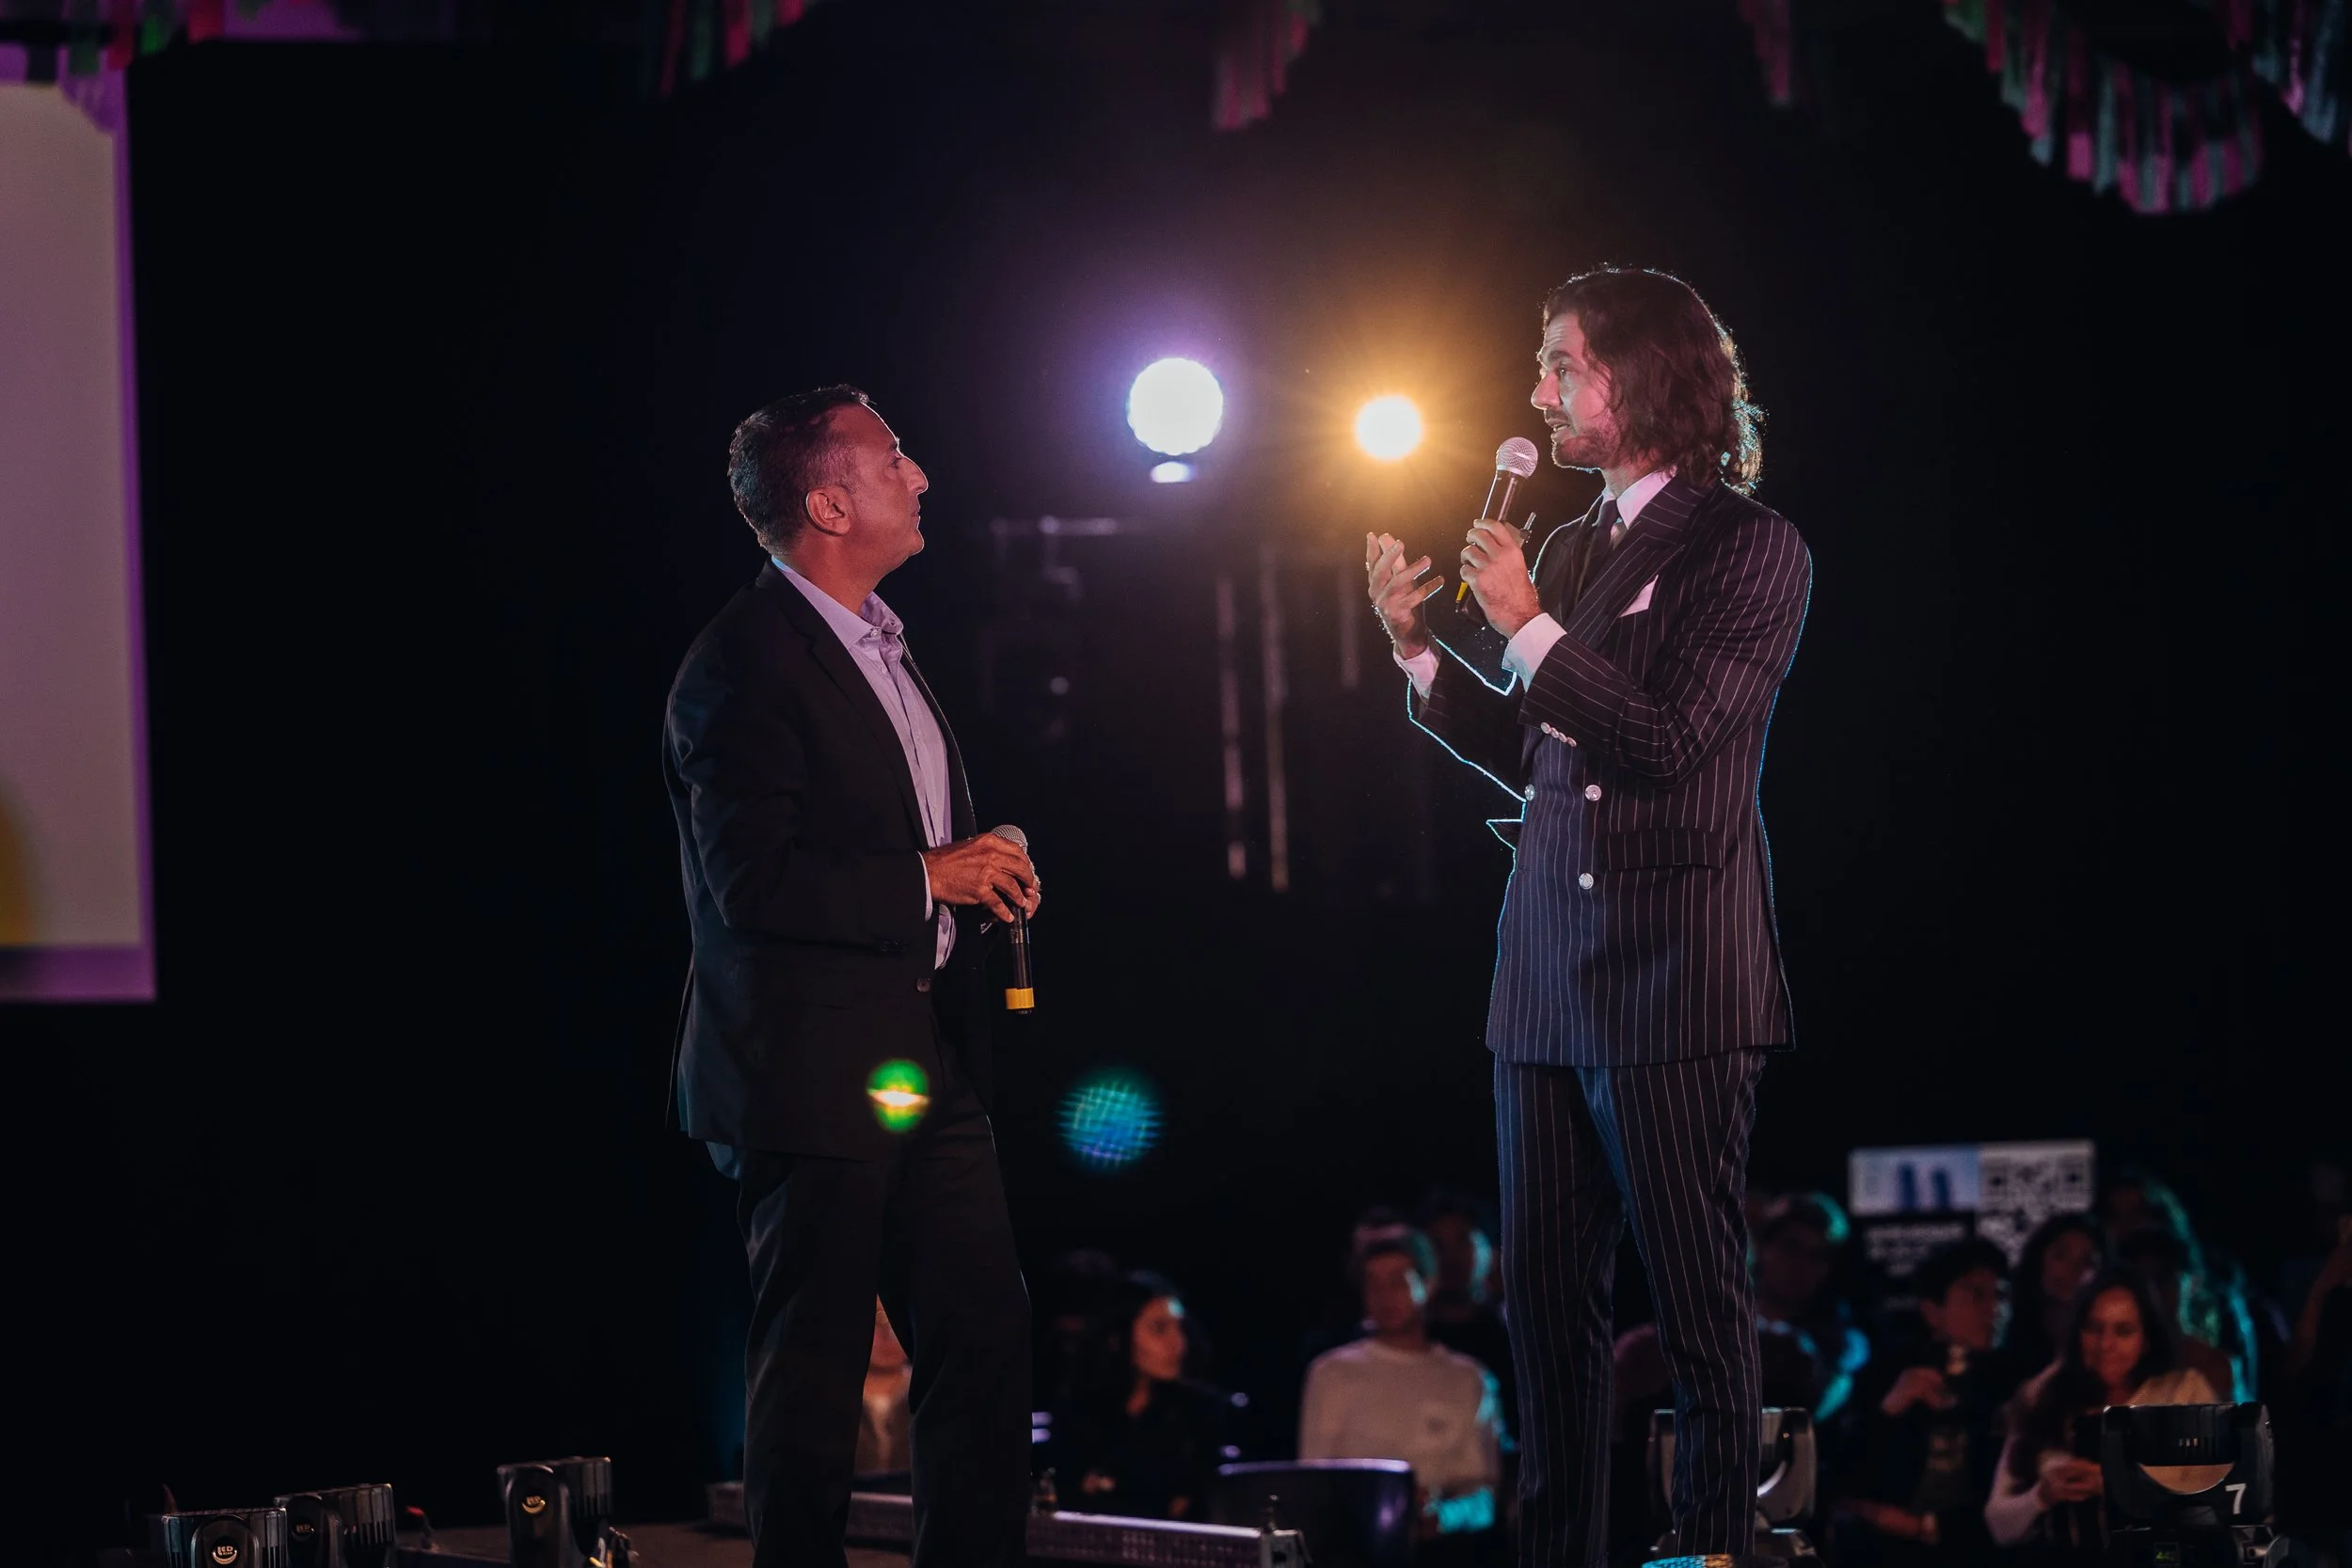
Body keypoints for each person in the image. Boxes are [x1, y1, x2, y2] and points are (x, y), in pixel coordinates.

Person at [1365, 265, 1812, 1562]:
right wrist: (1419, 648)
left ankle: (1710, 1542)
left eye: (1561, 365)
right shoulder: (1567, 545)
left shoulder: (1749, 546)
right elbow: (1540, 753)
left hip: (1676, 971)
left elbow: (1669, 741)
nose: (1538, 393)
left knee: (1694, 1300)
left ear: (1641, 375)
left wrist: (1525, 624)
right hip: (1546, 973)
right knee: (1546, 1309)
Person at [664, 385, 1042, 1568]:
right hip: (809, 1068)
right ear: (829, 504)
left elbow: (900, 835)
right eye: (892, 459)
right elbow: (753, 881)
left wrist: (979, 860)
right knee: (817, 1365)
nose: (919, 475)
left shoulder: (885, 641)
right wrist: (930, 873)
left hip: (925, 1059)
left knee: (983, 1335)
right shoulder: (740, 661)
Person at [1983, 1268, 2223, 1559]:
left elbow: (2217, 1511)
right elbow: (1998, 1524)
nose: (2105, 1345)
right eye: (2093, 1328)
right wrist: (2041, 1496)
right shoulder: (2045, 1396)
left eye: (2123, 1331)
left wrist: (2118, 1487)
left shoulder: (2184, 1393)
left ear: (2147, 1339)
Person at [1300, 1227, 1507, 1544]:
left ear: (1428, 1283)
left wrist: (1443, 1517)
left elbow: (1485, 1496)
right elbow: (1311, 1485)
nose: (1385, 1296)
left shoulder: (1468, 1379)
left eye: (1398, 1282)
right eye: (1374, 1284)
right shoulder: (1331, 1373)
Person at [1836, 1238, 2010, 1565]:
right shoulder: (1888, 1370)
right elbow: (1841, 1477)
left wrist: (1924, 1527)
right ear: (1932, 1310)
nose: (1994, 1309)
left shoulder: (2014, 1379)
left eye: (2000, 1296)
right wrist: (1889, 1410)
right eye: (1976, 1295)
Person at [1052, 1272, 1231, 1521]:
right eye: (1159, 1329)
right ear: (1117, 1338)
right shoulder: (1079, 1409)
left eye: (1180, 1327)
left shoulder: (1201, 1411)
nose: (1178, 1343)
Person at [1415, 1188, 1518, 1433]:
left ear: (1490, 1251)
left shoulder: (1517, 1339)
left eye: (1462, 1242)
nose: (1450, 1258)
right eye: (1437, 1245)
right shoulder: (1409, 1341)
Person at [1990, 1214, 2103, 1402]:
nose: (2073, 1269)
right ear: (2038, 1261)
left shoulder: (2108, 1348)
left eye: (2087, 1260)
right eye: (2061, 1256)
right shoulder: (2005, 1341)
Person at [856, 1299, 914, 1480]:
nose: (889, 1334)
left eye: (897, 1319)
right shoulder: (832, 1394)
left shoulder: (931, 1394)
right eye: (878, 1319)